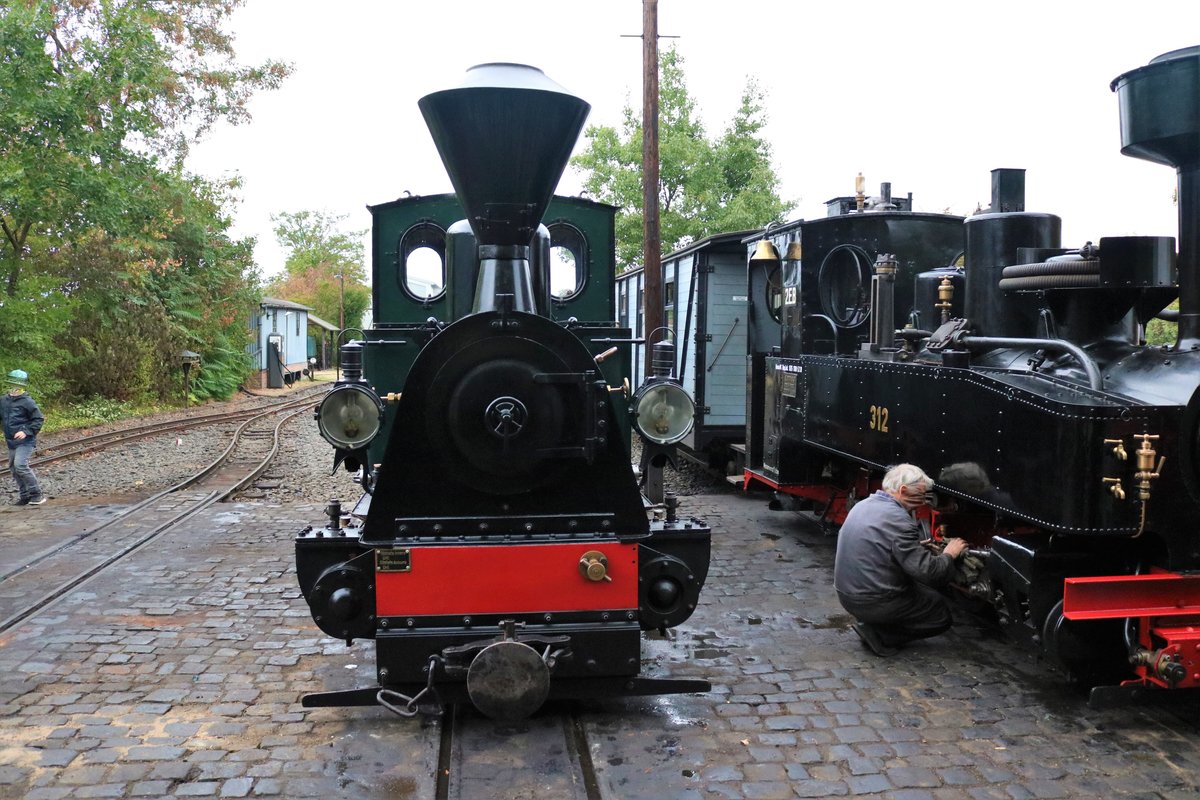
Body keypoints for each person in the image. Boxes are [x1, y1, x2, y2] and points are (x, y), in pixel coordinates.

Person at [833, 463, 966, 656]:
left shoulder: (863, 505)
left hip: (846, 594)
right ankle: (881, 635)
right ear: (903, 490)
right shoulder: (900, 521)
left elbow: (883, 546)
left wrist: (917, 547)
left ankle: (876, 624)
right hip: (870, 601)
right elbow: (929, 573)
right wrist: (950, 554)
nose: (923, 501)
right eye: (921, 495)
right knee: (939, 612)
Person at [2, 369, 46, 506]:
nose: (15, 389)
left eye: (19, 386)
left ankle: (37, 494)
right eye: (13, 385)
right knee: (14, 468)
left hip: (26, 441)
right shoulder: (3, 401)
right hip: (11, 441)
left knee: (20, 465)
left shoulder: (27, 402)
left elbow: (38, 419)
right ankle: (25, 495)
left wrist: (26, 431)